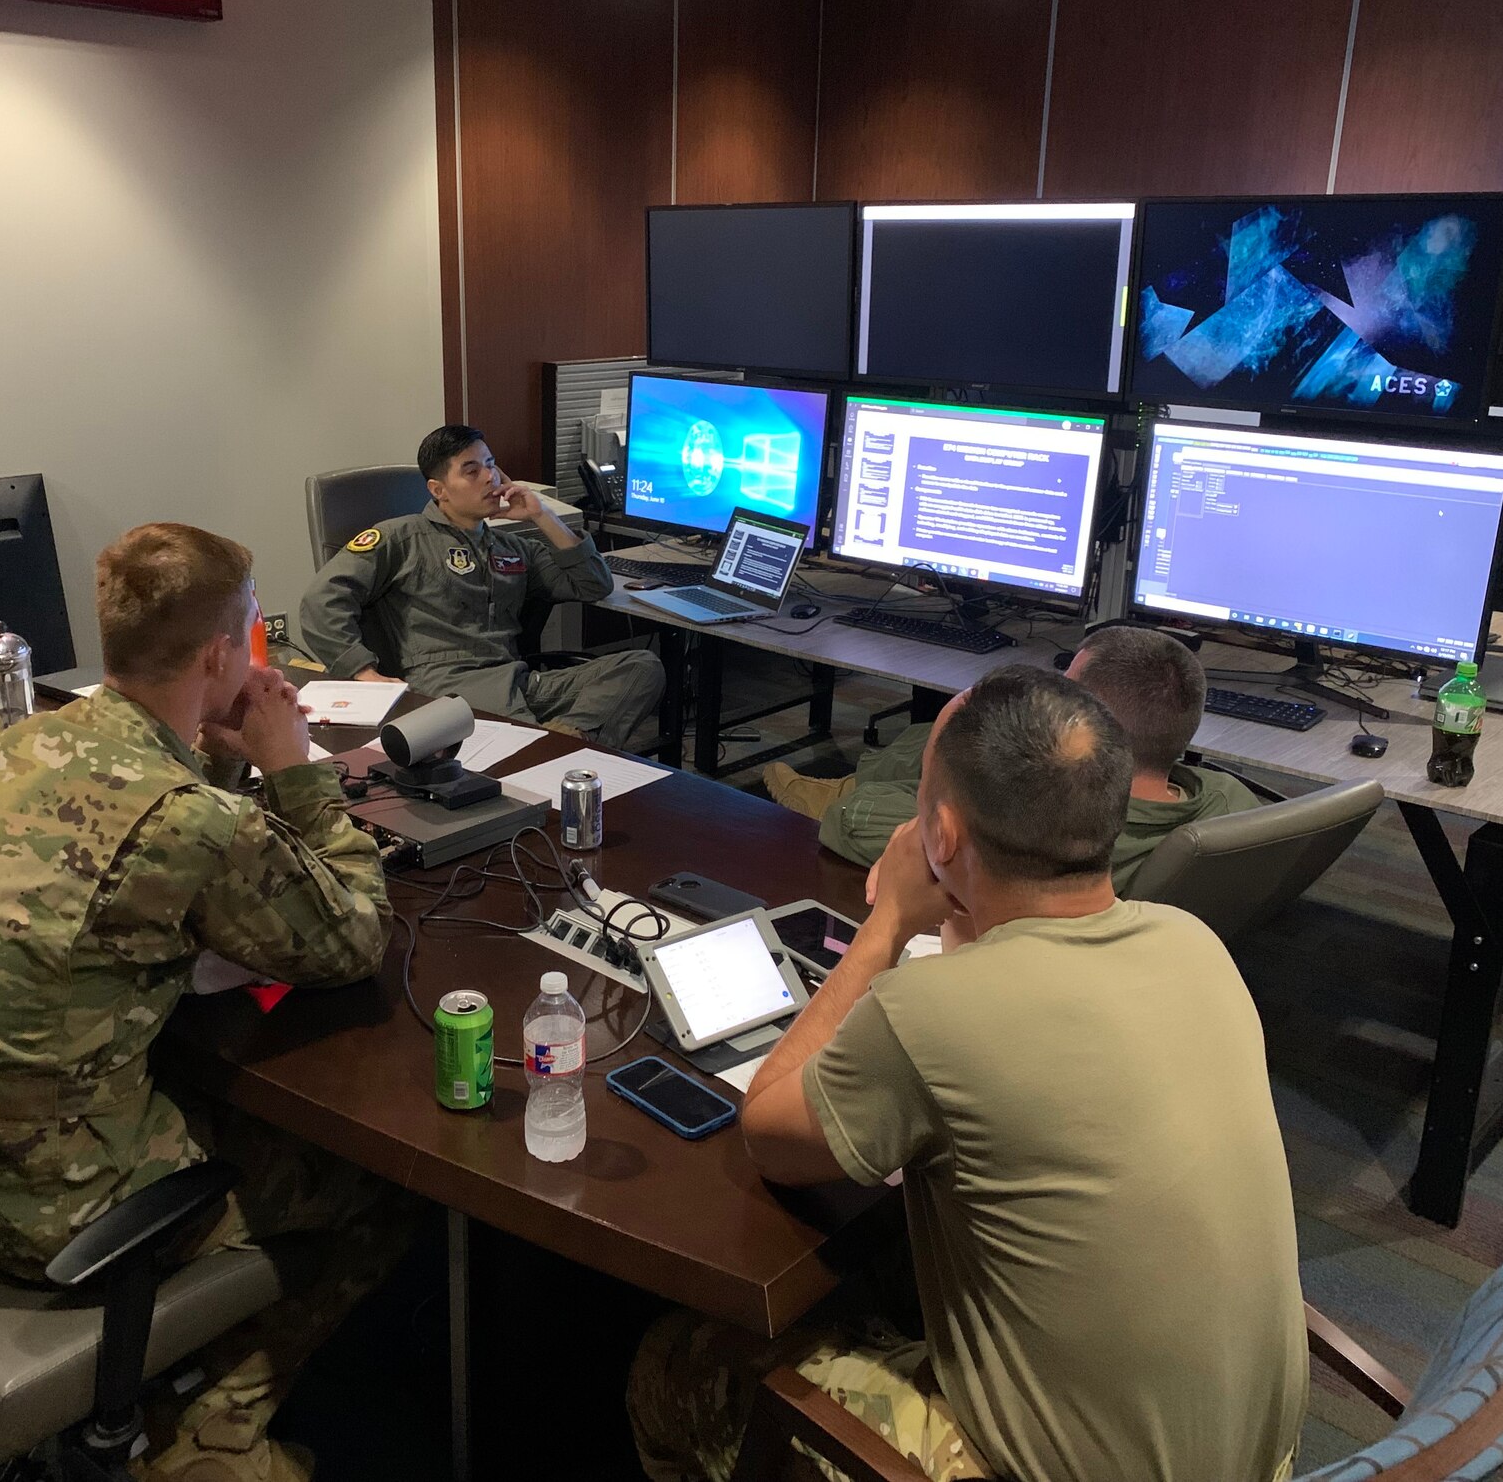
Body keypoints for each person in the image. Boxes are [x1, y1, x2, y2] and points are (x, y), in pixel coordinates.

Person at [630, 665, 1307, 1482]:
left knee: (676, 1362)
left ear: (941, 836)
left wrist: (887, 927)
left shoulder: (934, 1012)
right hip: (1256, 1453)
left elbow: (770, 1130)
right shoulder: (1194, 943)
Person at [0, 522, 409, 1482]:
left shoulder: (26, 742)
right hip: (59, 1214)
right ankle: (206, 1434)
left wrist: (217, 746)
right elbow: (350, 940)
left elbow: (154, 859)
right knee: (378, 1185)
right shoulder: (187, 820)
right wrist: (294, 770)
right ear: (222, 651)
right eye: (254, 630)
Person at [768, 625, 1261, 886]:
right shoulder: (1232, 803)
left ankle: (839, 784)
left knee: (946, 753)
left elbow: (851, 822)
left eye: (1065, 694)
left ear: (1088, 726)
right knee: (935, 743)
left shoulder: (1045, 822)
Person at [297, 424, 665, 748]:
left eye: (490, 465)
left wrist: (542, 514)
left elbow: (593, 585)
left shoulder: (513, 548)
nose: (489, 478)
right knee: (523, 737)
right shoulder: (400, 538)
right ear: (438, 489)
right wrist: (365, 673)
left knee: (642, 668)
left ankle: (564, 741)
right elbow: (321, 602)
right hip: (448, 689)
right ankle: (553, 751)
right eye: (471, 471)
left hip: (518, 679)